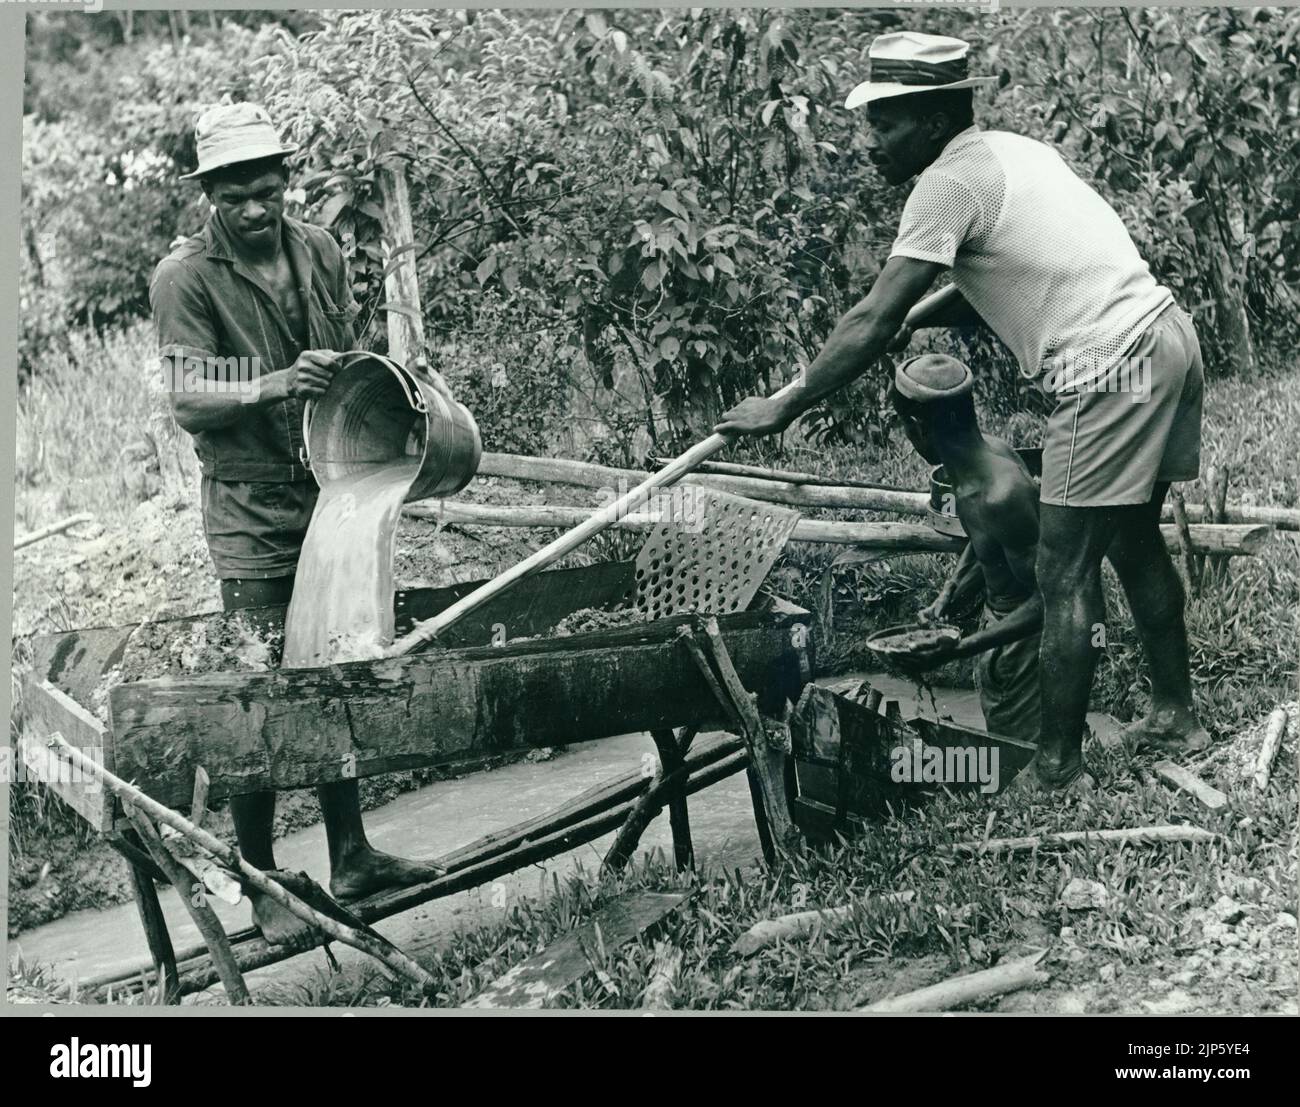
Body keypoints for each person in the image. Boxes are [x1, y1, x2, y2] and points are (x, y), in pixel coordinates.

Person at [715, 31, 1210, 795]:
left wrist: (785, 405)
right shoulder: (1011, 152)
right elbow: (1010, 266)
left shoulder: (945, 186)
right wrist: (923, 314)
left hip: (1109, 367)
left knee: (1062, 573)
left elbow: (873, 315)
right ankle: (1176, 713)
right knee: (1137, 540)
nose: (871, 142)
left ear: (937, 119)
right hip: (1164, 337)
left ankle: (1055, 769)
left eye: (887, 123)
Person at [149, 102, 442, 947]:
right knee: (262, 685)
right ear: (209, 191)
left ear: (285, 182)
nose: (255, 209)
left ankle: (351, 852)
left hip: (330, 485)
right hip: (247, 505)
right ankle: (259, 873)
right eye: (237, 195)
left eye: (268, 191)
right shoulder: (185, 278)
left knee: (337, 661)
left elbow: (343, 363)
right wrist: (274, 383)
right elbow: (188, 397)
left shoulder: (316, 247)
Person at [888, 355, 1042, 745]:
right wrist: (949, 593)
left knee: (1023, 757)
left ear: (918, 428)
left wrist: (958, 650)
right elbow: (987, 543)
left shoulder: (1002, 494)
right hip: (999, 633)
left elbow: (1054, 599)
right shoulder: (979, 461)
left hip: (1028, 651)